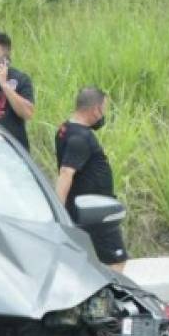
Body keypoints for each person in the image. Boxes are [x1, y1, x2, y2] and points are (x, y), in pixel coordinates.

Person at [55, 86, 128, 272]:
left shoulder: (65, 129)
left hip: (84, 208)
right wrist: (58, 214)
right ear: (95, 109)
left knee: (88, 262)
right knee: (116, 261)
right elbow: (65, 174)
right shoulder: (80, 138)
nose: (103, 114)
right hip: (95, 212)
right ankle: (107, 299)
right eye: (103, 109)